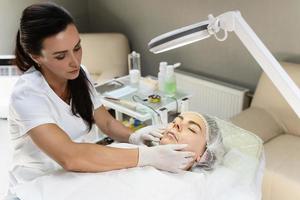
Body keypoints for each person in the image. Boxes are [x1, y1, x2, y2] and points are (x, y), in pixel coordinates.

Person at [6, 2, 195, 196]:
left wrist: (132, 136)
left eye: (77, 48)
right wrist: (147, 156)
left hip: (79, 176)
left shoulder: (80, 75)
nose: (75, 61)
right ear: (36, 56)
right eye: (61, 56)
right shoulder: (27, 95)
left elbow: (105, 121)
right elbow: (70, 157)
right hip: (36, 184)